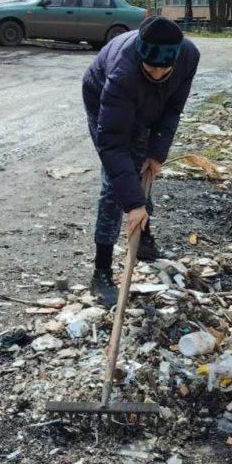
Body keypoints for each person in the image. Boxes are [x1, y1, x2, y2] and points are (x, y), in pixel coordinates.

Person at [82, 16, 200, 307]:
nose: (158, 74)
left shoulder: (188, 56)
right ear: (140, 57)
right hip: (102, 98)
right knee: (116, 186)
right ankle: (101, 271)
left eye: (164, 69)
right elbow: (112, 143)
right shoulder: (121, 73)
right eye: (151, 68)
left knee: (142, 167)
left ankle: (143, 240)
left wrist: (156, 152)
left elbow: (172, 109)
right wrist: (134, 204)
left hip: (149, 103)